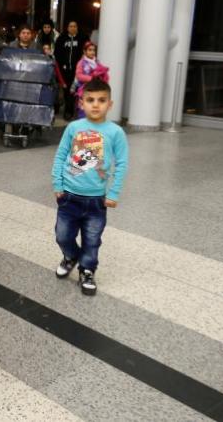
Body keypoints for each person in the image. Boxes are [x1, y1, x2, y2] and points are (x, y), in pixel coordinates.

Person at [51, 79, 129, 295]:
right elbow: (60, 156)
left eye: (102, 100)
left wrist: (113, 193)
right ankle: (71, 255)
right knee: (62, 235)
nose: (96, 105)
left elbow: (121, 164)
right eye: (90, 100)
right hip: (68, 196)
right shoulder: (74, 128)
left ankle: (87, 269)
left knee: (92, 239)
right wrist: (58, 184)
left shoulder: (115, 132)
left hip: (97, 200)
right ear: (81, 102)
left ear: (110, 104)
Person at [54, 21, 89, 120]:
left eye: (74, 26)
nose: (73, 28)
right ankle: (68, 111)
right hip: (65, 70)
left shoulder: (83, 38)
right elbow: (57, 53)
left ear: (77, 27)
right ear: (67, 28)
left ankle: (73, 111)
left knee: (76, 91)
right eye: (70, 26)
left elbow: (88, 49)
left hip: (78, 70)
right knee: (67, 91)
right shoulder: (62, 38)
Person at [72, 41, 109, 119]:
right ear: (84, 51)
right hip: (85, 91)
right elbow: (79, 76)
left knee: (94, 112)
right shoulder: (81, 63)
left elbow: (103, 73)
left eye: (93, 50)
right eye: (90, 50)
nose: (92, 52)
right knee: (84, 112)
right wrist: (92, 78)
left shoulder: (97, 62)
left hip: (96, 91)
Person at [42, 43, 66, 120]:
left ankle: (50, 116)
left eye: (47, 49)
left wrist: (62, 82)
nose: (46, 51)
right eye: (44, 49)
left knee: (52, 101)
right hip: (43, 84)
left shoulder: (53, 60)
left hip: (52, 83)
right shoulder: (40, 60)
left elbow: (58, 72)